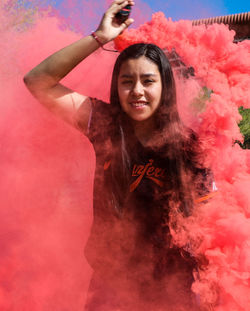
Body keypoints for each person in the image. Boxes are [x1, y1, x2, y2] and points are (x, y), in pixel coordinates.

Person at [24, 1, 216, 310]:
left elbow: (211, 231)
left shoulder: (190, 147)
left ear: (165, 86)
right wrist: (99, 37)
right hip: (110, 290)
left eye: (148, 80)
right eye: (127, 81)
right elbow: (38, 81)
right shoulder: (105, 124)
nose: (137, 91)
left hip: (173, 293)